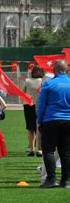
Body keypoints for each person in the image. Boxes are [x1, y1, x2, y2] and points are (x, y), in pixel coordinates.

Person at [37, 59, 70, 188]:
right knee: (66, 152)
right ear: (66, 69)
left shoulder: (48, 84)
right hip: (68, 120)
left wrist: (39, 121)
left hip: (51, 120)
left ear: (54, 70)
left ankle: (51, 179)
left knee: (49, 150)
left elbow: (41, 105)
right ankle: (66, 180)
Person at [23, 67, 44, 157]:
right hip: (40, 104)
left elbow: (22, 92)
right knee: (39, 127)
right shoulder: (43, 81)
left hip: (28, 105)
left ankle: (31, 149)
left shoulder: (27, 81)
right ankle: (40, 149)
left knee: (30, 128)